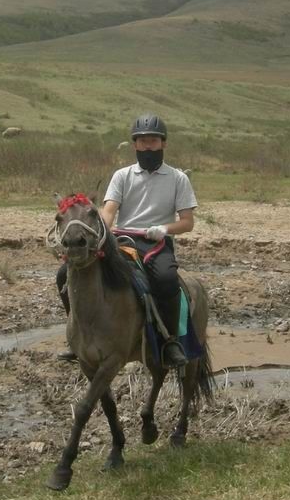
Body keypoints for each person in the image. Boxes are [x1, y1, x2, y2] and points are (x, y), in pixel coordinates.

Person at [56, 113, 197, 366]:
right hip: (121, 241)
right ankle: (76, 338)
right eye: (142, 141)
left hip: (156, 244)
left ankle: (170, 342)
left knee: (166, 280)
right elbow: (109, 211)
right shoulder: (122, 175)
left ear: (163, 143)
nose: (147, 146)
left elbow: (188, 222)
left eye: (153, 141)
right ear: (134, 145)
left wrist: (164, 228)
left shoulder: (178, 179)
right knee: (63, 274)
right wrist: (101, 234)